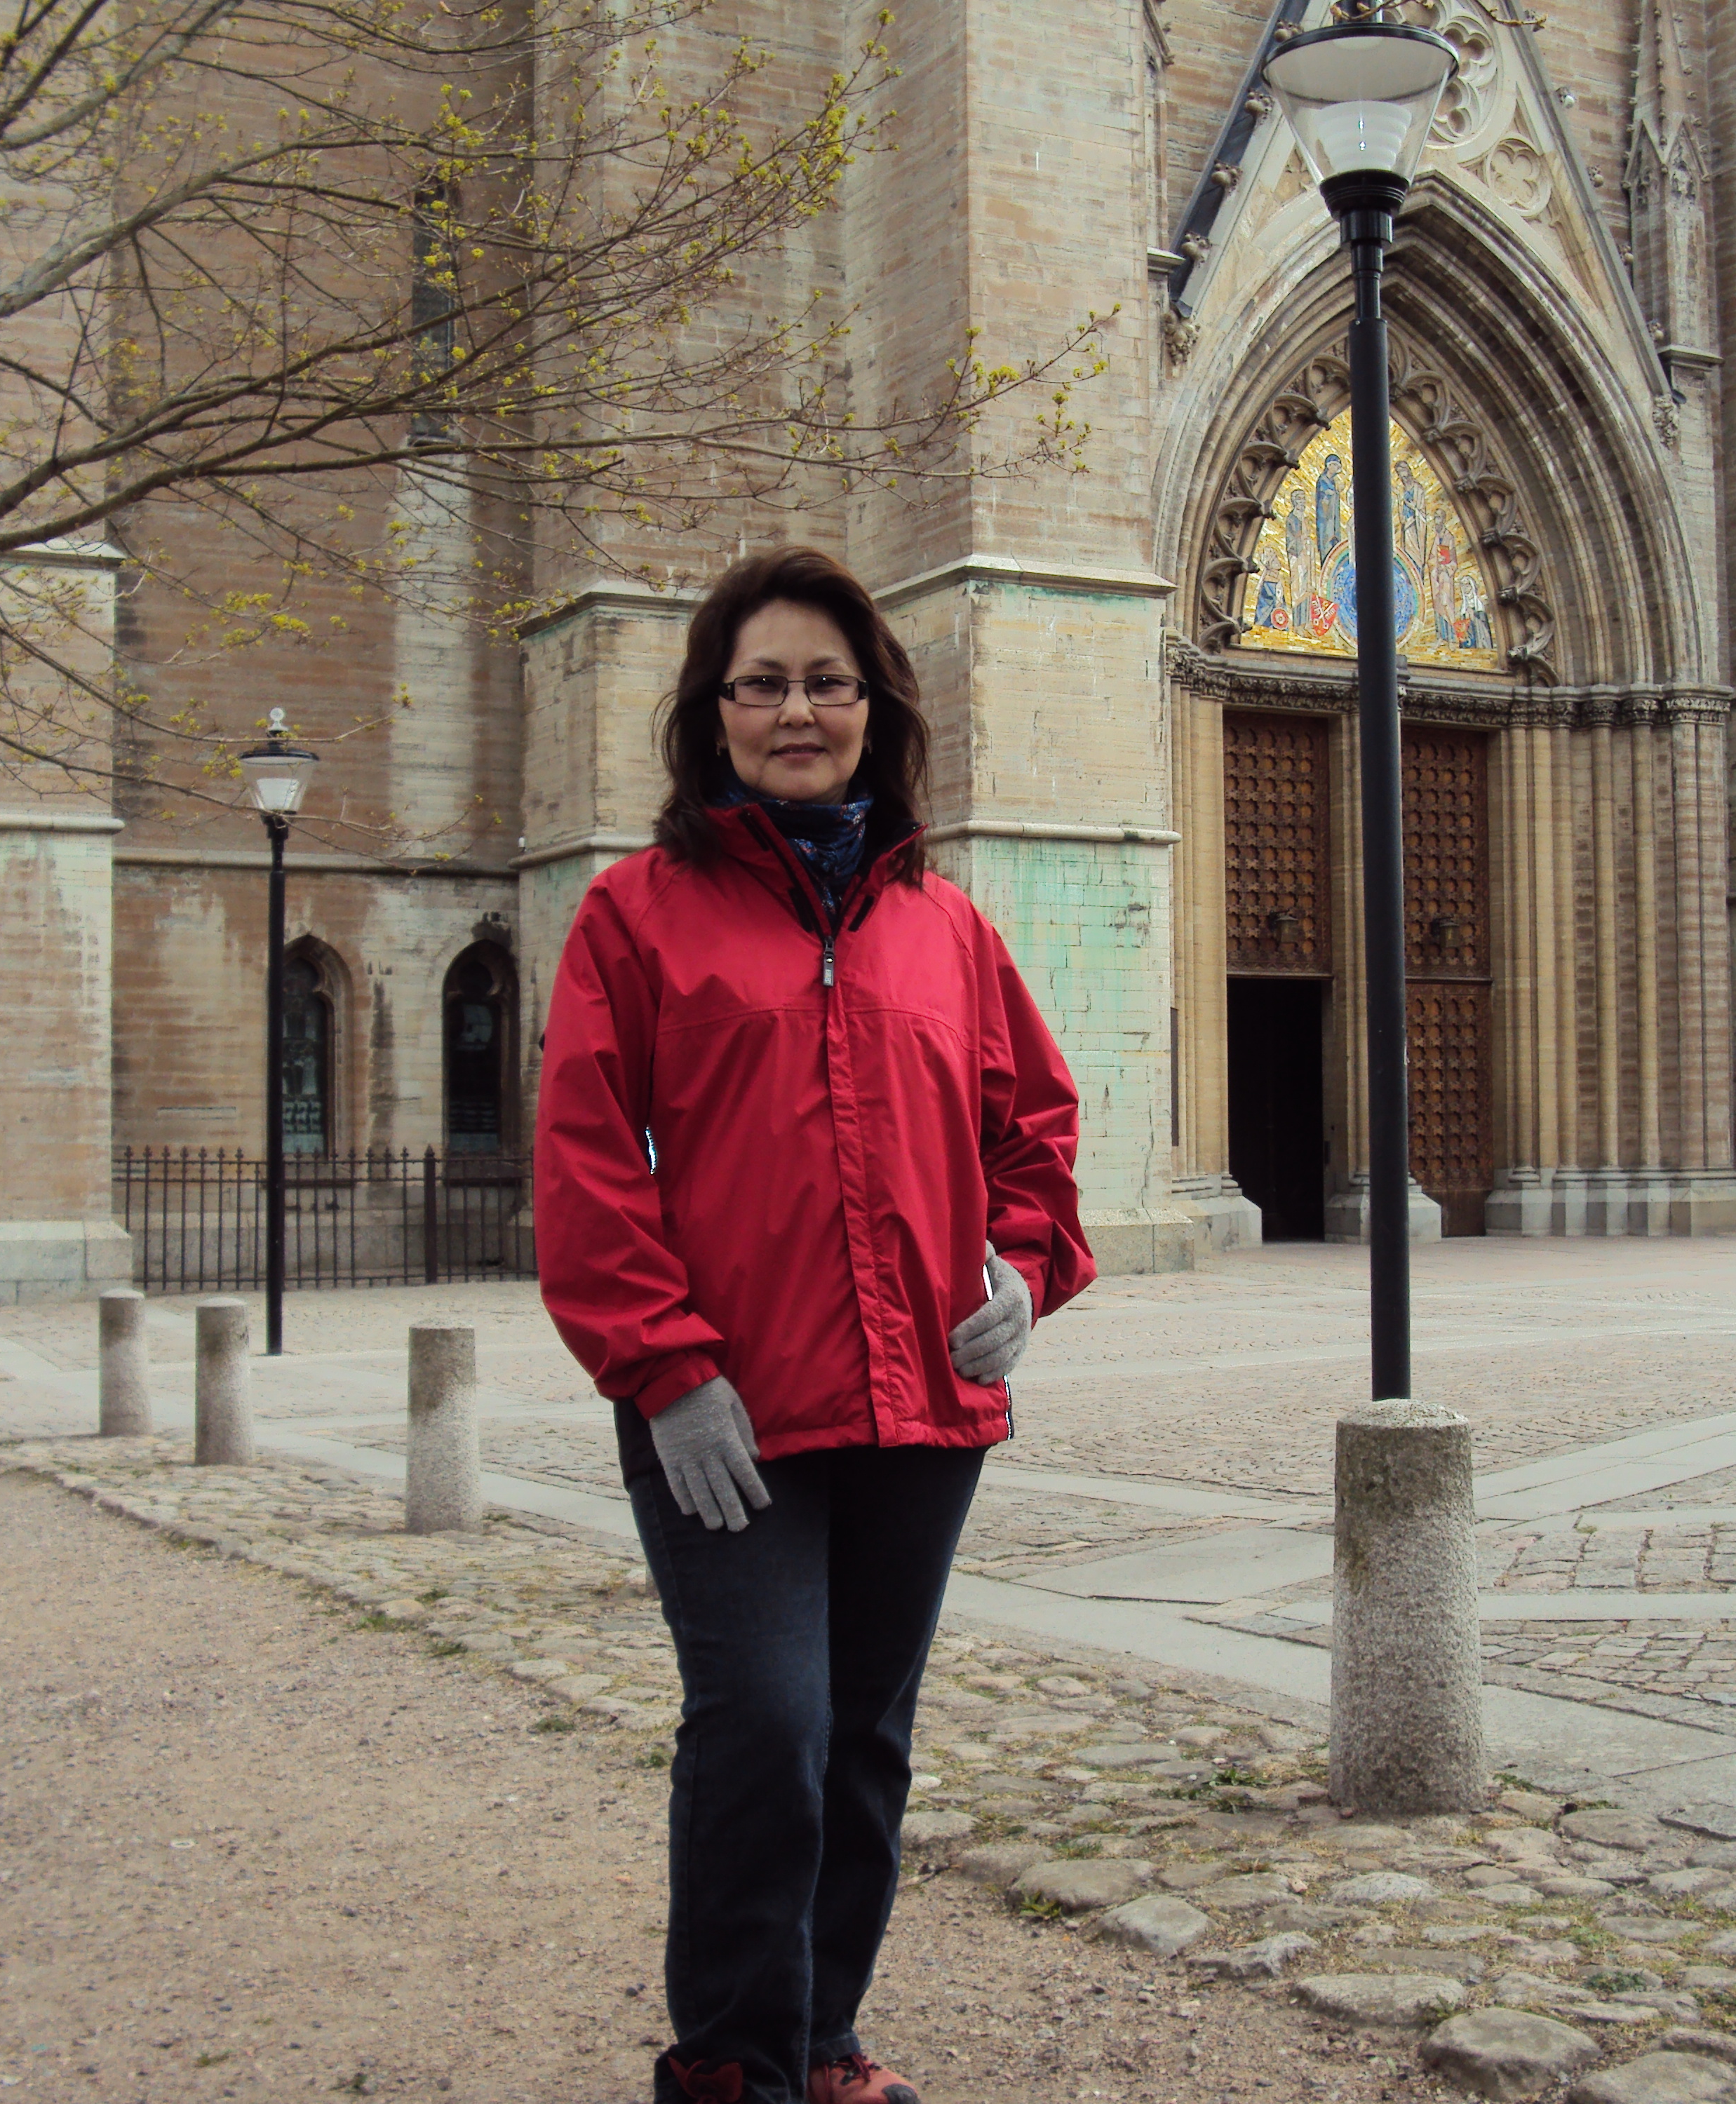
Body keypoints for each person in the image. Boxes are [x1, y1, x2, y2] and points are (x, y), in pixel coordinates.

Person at [534, 547, 1096, 2104]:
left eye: (826, 682)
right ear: (712, 713)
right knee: (765, 1727)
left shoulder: (946, 927)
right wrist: (664, 1370)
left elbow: (1034, 1129)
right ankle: (730, 2061)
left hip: (924, 1404)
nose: (797, 710)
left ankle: (821, 2036)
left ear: (874, 707)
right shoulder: (634, 916)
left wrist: (1020, 1268)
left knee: (861, 1740)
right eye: (763, 683)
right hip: (728, 1414)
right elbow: (585, 1158)